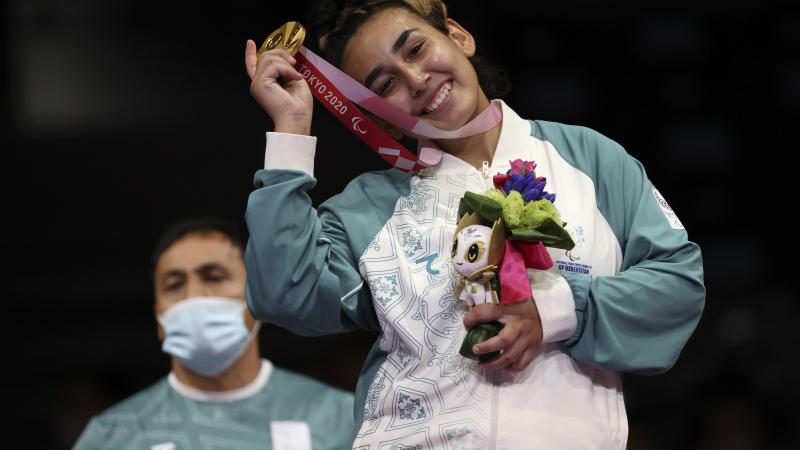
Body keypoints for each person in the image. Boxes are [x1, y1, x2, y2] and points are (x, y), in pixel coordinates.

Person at [243, 1, 705, 448]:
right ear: (375, 111)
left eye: (416, 49)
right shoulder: (368, 207)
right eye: (385, 84)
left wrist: (559, 310)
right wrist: (289, 133)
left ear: (459, 36)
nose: (417, 80)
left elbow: (677, 284)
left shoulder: (588, 158)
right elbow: (285, 295)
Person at [74, 217, 355, 450]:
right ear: (158, 317)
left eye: (214, 277)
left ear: (258, 296)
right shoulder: (111, 437)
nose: (194, 296)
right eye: (174, 285)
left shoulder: (340, 417)